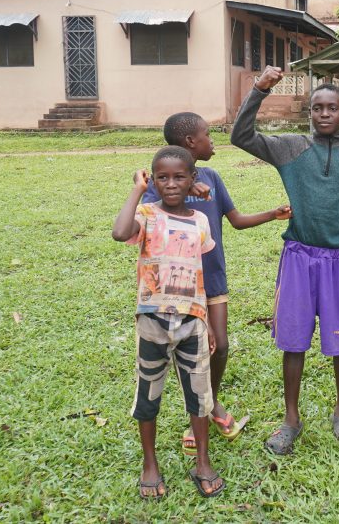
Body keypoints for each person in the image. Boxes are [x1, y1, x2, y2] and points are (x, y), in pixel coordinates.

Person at [231, 65, 339, 454]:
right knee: (294, 342)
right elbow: (240, 135)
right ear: (309, 112)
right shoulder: (291, 147)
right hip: (298, 257)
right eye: (317, 108)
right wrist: (259, 90)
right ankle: (291, 419)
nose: (324, 114)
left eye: (332, 108)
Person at [142, 112, 291, 453]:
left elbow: (235, 220)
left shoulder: (213, 177)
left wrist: (273, 214)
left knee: (220, 345)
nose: (213, 140)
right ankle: (202, 413)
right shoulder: (162, 182)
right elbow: (148, 221)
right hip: (176, 285)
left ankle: (209, 403)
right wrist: (182, 187)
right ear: (190, 142)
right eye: (207, 134)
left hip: (212, 277)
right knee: (187, 351)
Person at [111, 146, 224, 499]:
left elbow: (198, 272)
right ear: (153, 180)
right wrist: (136, 188)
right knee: (149, 395)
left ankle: (203, 461)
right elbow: (119, 232)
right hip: (152, 322)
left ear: (193, 179)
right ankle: (150, 464)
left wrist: (204, 320)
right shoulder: (145, 214)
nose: (170, 184)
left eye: (179, 177)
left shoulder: (200, 221)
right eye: (162, 177)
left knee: (199, 395)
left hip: (192, 322)